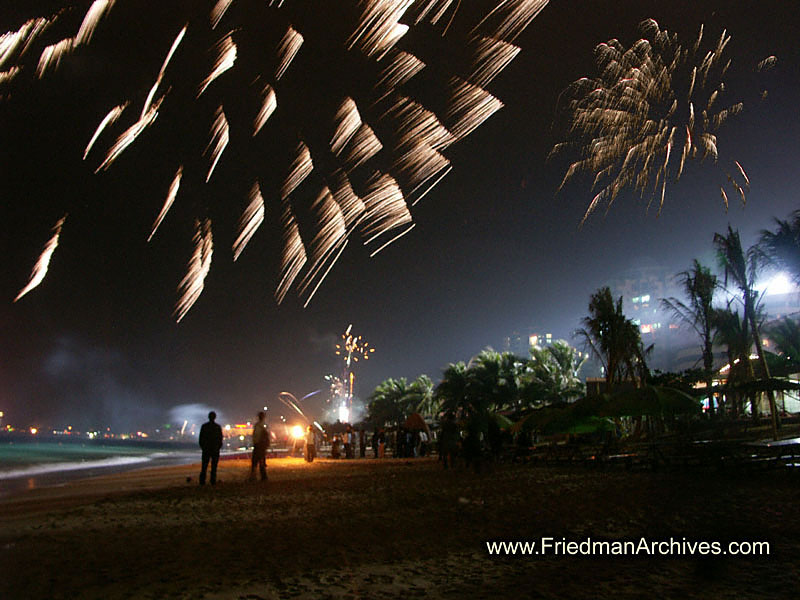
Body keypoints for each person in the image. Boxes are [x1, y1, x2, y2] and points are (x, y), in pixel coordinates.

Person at [198, 411, 223, 485]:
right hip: (214, 449)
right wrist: (218, 447)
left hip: (206, 449)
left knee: (204, 466)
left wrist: (203, 447)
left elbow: (201, 438)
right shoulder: (217, 427)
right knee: (214, 466)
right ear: (215, 417)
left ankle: (202, 481)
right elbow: (220, 438)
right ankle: (213, 480)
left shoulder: (204, 426)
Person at [249, 411, 269, 481]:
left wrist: (256, 444)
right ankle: (263, 476)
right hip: (262, 446)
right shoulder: (263, 426)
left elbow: (256, 437)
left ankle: (254, 477)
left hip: (258, 446)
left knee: (255, 462)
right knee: (261, 461)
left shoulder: (258, 426)